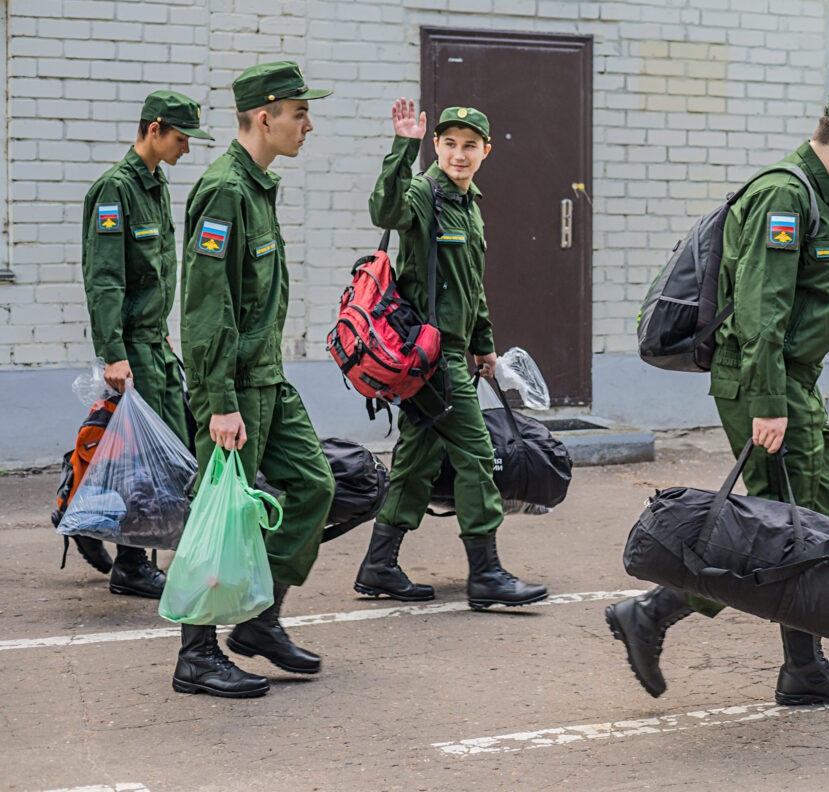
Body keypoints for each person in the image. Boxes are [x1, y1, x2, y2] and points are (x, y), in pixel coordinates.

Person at [607, 84, 829, 705]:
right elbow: (760, 309)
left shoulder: (814, 194)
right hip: (767, 382)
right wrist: (770, 402)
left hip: (783, 380)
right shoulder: (785, 193)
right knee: (791, 525)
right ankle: (654, 613)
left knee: (795, 523)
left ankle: (800, 666)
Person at [174, 61, 336, 698]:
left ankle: (258, 619)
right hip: (232, 386)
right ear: (265, 117)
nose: (308, 124)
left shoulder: (258, 185)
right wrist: (219, 400)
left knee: (314, 485)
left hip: (267, 376)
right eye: (299, 113)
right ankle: (195, 654)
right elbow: (205, 306)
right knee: (219, 516)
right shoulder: (226, 191)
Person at [353, 99, 548, 610]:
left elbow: (471, 287)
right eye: (448, 144)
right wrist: (402, 146)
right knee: (476, 454)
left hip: (457, 352)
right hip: (431, 358)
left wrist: (483, 344)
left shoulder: (469, 205)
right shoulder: (424, 195)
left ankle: (378, 565)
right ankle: (486, 575)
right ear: (435, 146)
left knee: (416, 462)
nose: (458, 154)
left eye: (468, 146)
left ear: (486, 150)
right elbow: (385, 210)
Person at [80, 90, 213, 598]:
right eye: (182, 138)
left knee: (136, 448)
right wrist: (113, 350)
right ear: (154, 129)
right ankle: (132, 564)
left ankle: (88, 523)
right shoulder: (115, 190)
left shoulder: (154, 185)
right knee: (148, 456)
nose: (187, 148)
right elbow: (106, 277)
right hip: (132, 348)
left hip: (154, 342)